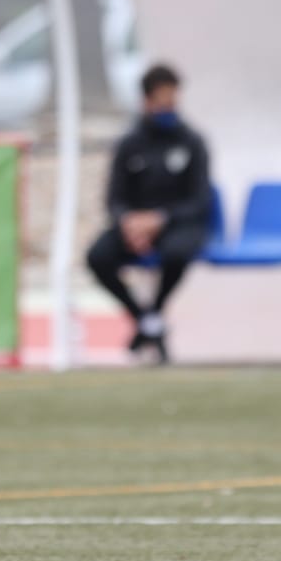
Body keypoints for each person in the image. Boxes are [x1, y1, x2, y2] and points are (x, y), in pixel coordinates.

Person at [84, 64, 212, 364]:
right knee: (98, 256)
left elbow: (200, 200)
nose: (168, 106)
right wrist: (129, 222)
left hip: (177, 224)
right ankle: (146, 318)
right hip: (134, 226)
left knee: (177, 252)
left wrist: (160, 219)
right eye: (162, 100)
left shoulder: (192, 142)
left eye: (172, 99)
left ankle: (150, 317)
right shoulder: (130, 144)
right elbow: (114, 198)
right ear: (146, 101)